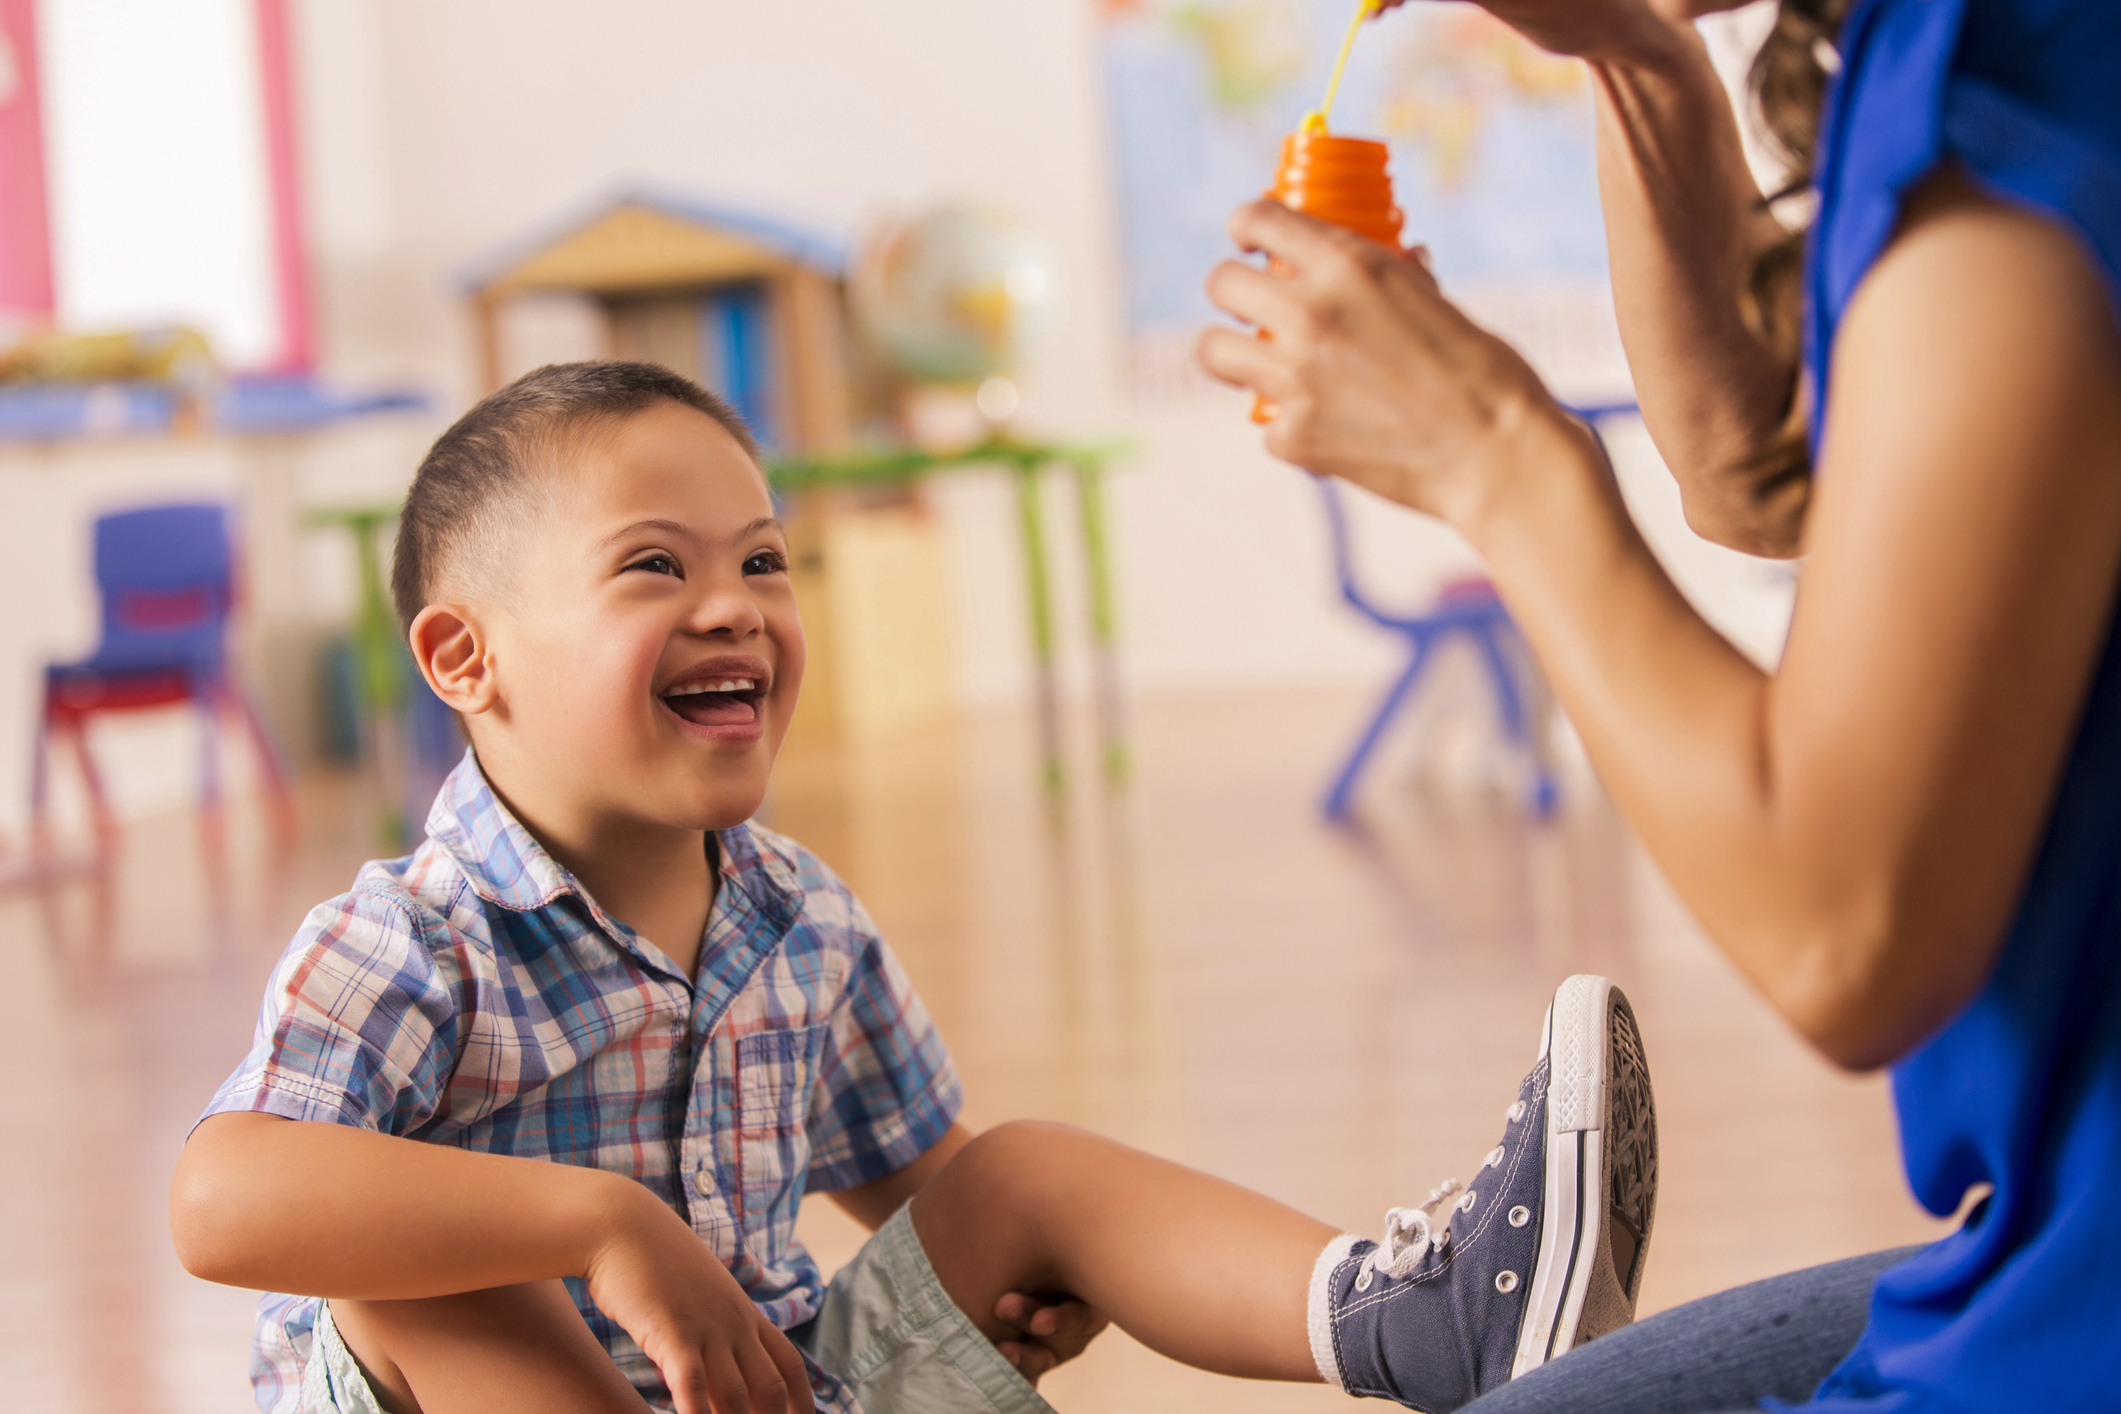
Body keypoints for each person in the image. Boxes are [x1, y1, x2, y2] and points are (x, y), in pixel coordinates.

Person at [169, 361, 1659, 1414]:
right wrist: (601, 1226)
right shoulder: (408, 940)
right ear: (464, 659)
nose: (734, 603)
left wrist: (1044, 1265)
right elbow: (222, 1199)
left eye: (764, 558)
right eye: (651, 566)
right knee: (414, 1276)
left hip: (772, 1386)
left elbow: (917, 1171)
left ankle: (1421, 1317)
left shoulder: (796, 918)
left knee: (1014, 1169)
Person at [1198, 0, 2121, 1409]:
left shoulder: (2028, 127)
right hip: (2053, 1223)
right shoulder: (1943, 59)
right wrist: (1638, 63)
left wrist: (1490, 455)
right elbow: (1762, 473)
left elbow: (1844, 930)